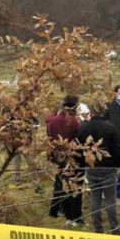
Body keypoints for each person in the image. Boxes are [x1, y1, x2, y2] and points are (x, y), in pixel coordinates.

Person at [76, 104, 120, 235]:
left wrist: (83, 162)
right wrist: (118, 164)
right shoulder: (110, 127)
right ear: (103, 112)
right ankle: (114, 228)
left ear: (91, 112)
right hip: (108, 167)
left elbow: (78, 146)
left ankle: (98, 228)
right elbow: (119, 148)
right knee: (110, 199)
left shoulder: (83, 127)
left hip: (91, 166)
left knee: (95, 198)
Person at [46, 96, 82, 224]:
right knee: (71, 185)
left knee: (59, 181)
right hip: (71, 156)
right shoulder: (75, 122)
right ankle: (72, 215)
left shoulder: (53, 121)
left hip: (57, 156)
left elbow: (49, 139)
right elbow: (78, 139)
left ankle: (54, 210)